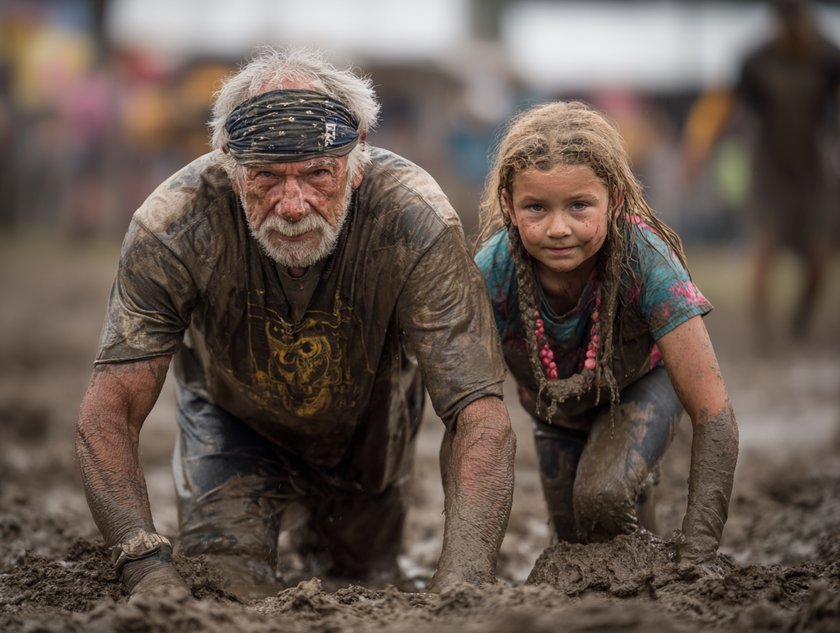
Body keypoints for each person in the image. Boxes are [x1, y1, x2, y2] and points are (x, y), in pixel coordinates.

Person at [75, 47, 515, 599]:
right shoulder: (173, 225)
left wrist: (463, 583)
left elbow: (481, 416)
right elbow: (109, 410)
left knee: (364, 575)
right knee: (225, 583)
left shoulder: (414, 219)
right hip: (232, 420)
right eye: (265, 177)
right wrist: (143, 562)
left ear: (355, 167)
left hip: (367, 423)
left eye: (316, 174)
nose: (292, 204)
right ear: (231, 173)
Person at [474, 100, 738, 567]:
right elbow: (466, 403)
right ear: (508, 207)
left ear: (614, 200)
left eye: (579, 206)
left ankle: (655, 573)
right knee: (574, 545)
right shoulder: (492, 273)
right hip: (554, 409)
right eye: (536, 207)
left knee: (603, 495)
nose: (558, 229)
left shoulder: (646, 259)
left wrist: (697, 557)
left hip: (642, 385)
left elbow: (714, 415)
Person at [681, 0, 840, 345]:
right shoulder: (757, 60)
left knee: (818, 258)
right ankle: (763, 334)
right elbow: (720, 104)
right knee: (763, 249)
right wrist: (698, 147)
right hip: (769, 168)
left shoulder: (828, 56)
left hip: (812, 170)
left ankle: (800, 324)